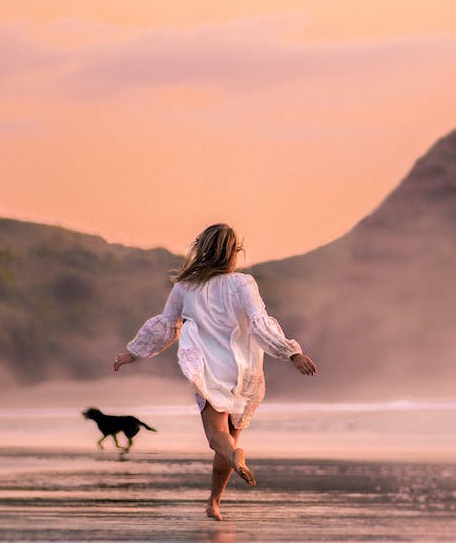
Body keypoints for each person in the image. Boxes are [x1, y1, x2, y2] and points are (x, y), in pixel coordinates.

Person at [113, 223, 317, 520]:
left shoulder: (185, 286)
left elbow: (167, 327)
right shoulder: (243, 283)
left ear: (201, 248)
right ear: (234, 252)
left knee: (217, 438)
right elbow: (260, 322)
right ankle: (214, 502)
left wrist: (132, 353)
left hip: (209, 369)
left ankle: (234, 460)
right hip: (243, 368)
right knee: (229, 439)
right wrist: (292, 353)